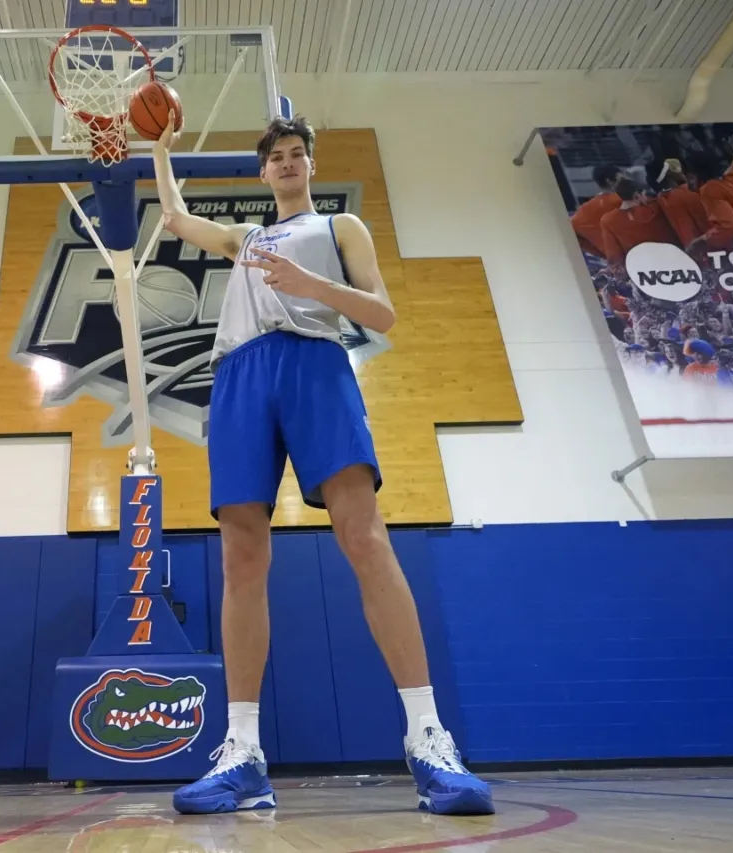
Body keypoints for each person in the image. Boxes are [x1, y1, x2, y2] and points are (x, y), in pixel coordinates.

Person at [151, 113, 495, 817]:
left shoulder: (341, 227)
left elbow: (384, 314)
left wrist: (314, 285)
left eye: (296, 154)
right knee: (241, 556)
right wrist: (159, 147)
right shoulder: (245, 238)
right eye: (276, 156)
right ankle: (242, 752)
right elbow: (178, 217)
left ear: (310, 166)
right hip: (241, 373)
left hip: (315, 361)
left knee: (363, 536)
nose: (286, 162)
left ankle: (429, 738)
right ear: (262, 171)